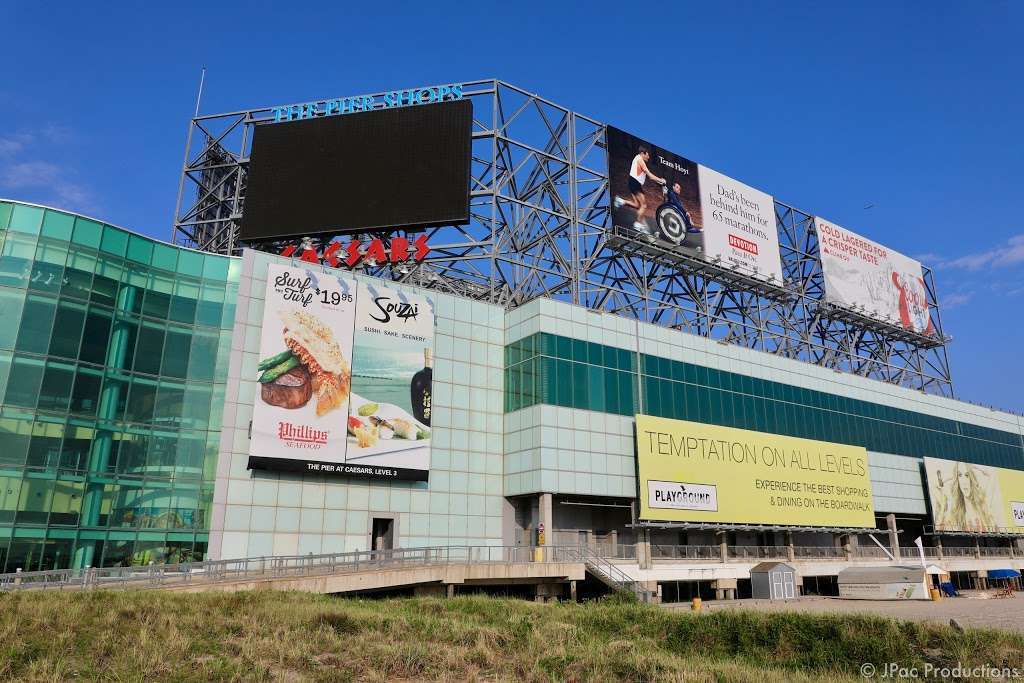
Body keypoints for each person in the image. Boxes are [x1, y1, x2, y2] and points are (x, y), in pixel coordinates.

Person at [613, 145, 666, 231]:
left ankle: (620, 201)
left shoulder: (637, 158)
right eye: (647, 155)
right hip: (635, 183)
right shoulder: (640, 160)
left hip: (632, 182)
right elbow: (650, 176)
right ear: (642, 153)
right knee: (644, 206)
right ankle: (637, 224)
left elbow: (649, 176)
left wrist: (660, 182)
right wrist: (661, 180)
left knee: (637, 204)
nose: (648, 157)